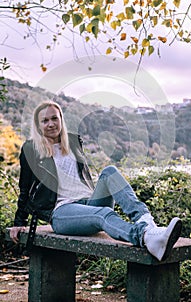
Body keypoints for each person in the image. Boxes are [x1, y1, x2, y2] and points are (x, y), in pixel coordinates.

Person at [10, 101, 182, 261]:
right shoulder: (31, 149)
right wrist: (19, 223)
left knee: (109, 171)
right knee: (103, 213)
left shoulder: (73, 141)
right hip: (61, 212)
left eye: (54, 118)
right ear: (38, 125)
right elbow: (25, 188)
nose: (51, 124)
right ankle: (145, 236)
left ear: (61, 119)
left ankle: (146, 221)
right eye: (45, 121)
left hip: (87, 202)